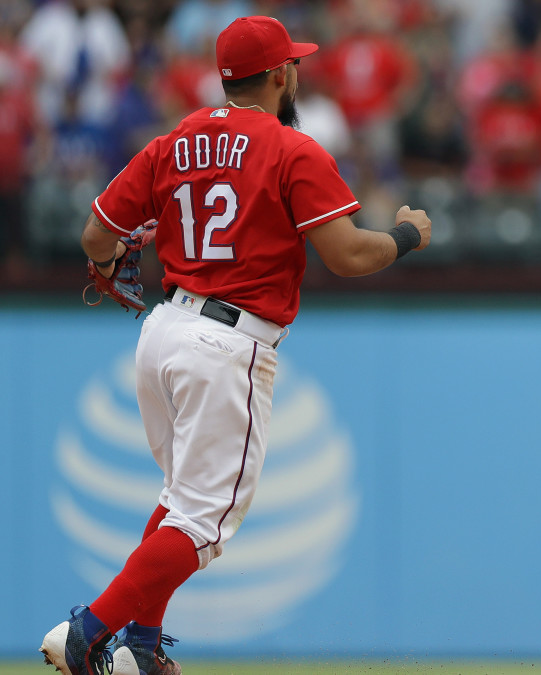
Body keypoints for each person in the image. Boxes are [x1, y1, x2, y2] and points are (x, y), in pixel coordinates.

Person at [39, 16, 431, 675]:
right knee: (202, 524)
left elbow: (95, 235)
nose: (297, 72)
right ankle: (89, 630)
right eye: (294, 63)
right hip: (228, 342)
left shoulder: (175, 140)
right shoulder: (290, 148)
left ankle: (140, 645)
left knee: (178, 498)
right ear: (280, 73)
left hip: (163, 330)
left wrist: (107, 269)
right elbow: (349, 255)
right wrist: (407, 235)